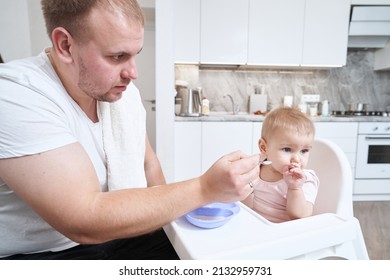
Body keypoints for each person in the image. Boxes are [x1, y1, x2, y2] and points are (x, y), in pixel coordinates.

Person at [0, 0, 260, 260]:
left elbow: (149, 165)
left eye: (135, 54)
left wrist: (170, 222)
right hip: (42, 255)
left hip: (120, 239)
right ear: (65, 45)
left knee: (216, 256)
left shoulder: (122, 96)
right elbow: (84, 219)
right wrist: (204, 189)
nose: (133, 72)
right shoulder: (15, 94)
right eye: (117, 56)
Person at [242, 107, 319, 223]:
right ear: (264, 147)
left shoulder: (304, 180)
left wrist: (294, 188)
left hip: (285, 234)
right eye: (287, 149)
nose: (297, 159)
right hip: (257, 226)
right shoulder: (257, 167)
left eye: (304, 151)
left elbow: (300, 216)